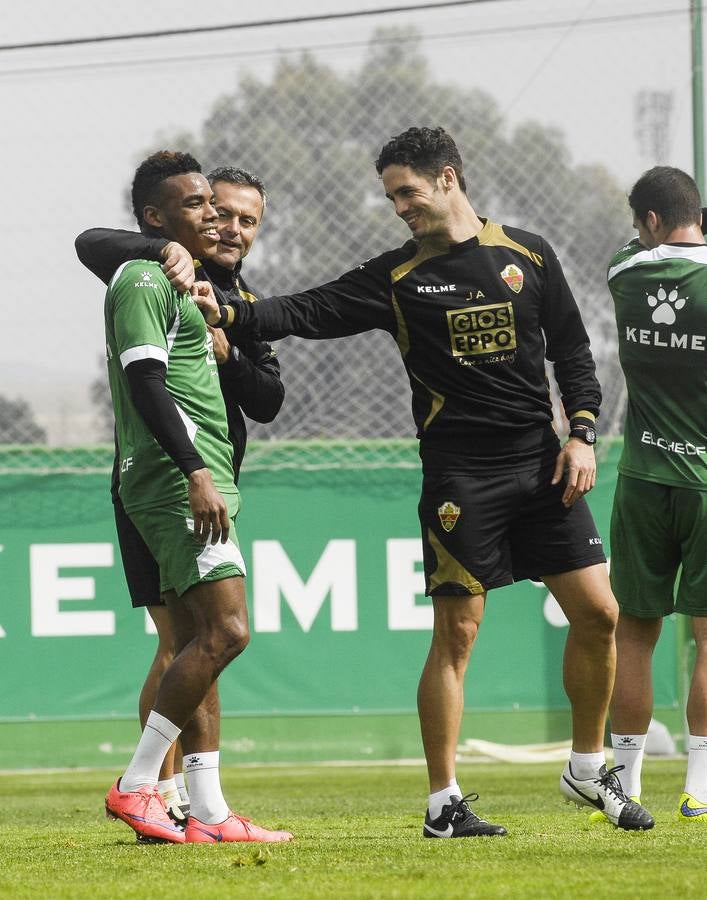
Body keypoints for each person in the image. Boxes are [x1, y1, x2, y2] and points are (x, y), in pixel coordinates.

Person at [199, 126, 655, 836]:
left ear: (447, 177)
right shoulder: (397, 276)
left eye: (406, 192)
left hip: (543, 468)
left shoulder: (527, 253)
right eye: (390, 198)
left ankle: (585, 769)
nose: (399, 208)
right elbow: (304, 311)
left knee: (599, 614)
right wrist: (226, 309)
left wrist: (583, 434)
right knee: (458, 634)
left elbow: (571, 350)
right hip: (460, 477)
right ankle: (443, 802)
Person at [75, 168, 283, 822]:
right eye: (219, 213)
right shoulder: (151, 273)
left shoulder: (238, 297)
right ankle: (152, 791)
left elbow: (269, 399)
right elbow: (90, 241)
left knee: (200, 637)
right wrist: (155, 248)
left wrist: (228, 351)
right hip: (170, 477)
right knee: (192, 638)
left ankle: (204, 806)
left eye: (248, 221)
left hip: (209, 479)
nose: (232, 229)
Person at [599, 166, 707, 823]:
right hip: (704, 482)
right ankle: (699, 787)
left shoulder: (622, 272)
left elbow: (646, 247)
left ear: (646, 221)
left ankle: (629, 788)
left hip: (642, 476)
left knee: (634, 636)